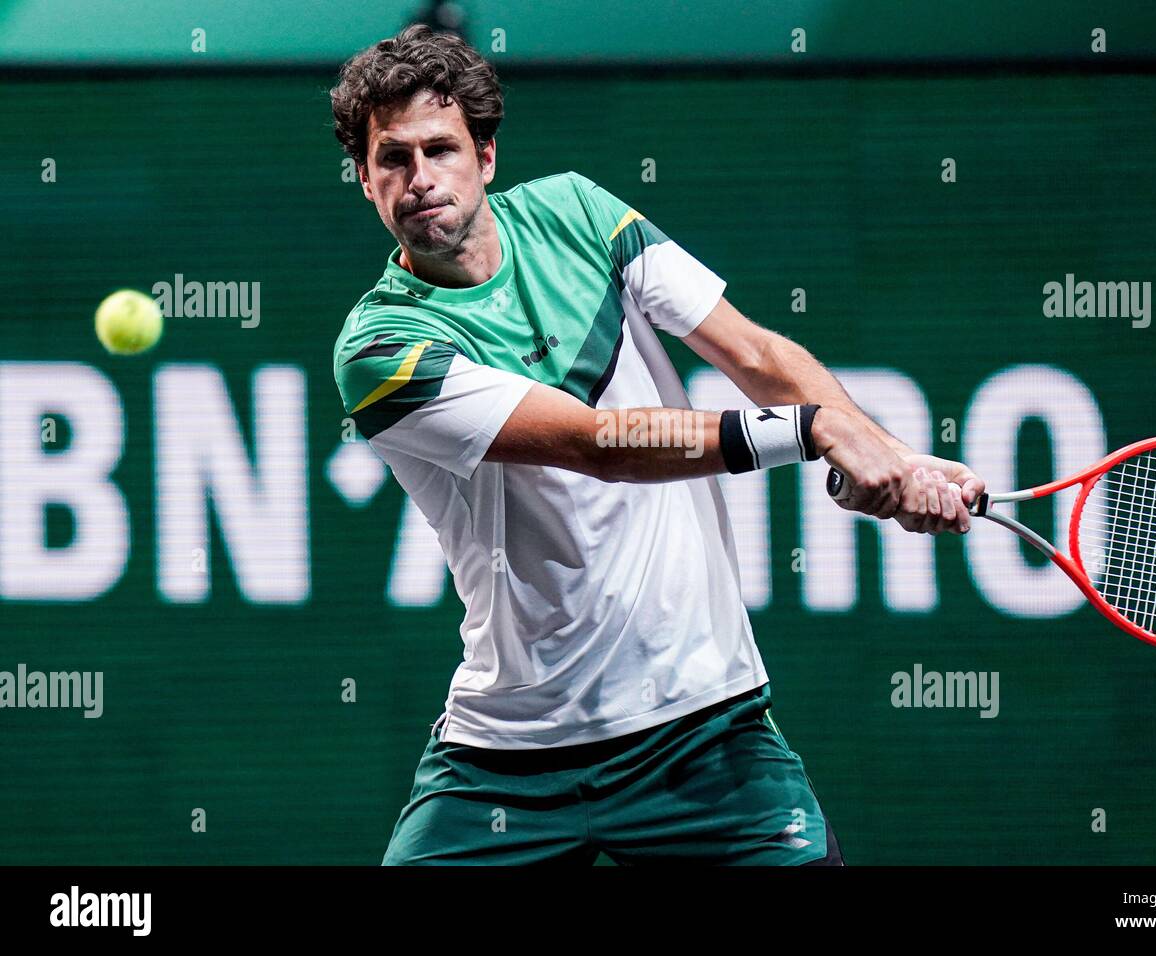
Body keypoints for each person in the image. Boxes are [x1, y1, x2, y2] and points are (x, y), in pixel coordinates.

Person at [330, 24, 985, 865]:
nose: (420, 179)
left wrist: (883, 452)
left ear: (486, 157)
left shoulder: (578, 212)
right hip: (509, 760)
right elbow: (602, 445)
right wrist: (819, 433)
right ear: (365, 178)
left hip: (707, 730)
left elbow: (753, 354)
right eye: (393, 159)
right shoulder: (379, 348)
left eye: (441, 149)